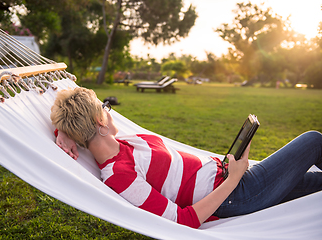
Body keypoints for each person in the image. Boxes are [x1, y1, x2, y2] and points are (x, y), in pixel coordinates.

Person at [50, 86, 322, 229]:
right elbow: (183, 220)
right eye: (106, 107)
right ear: (100, 120)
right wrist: (235, 178)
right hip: (236, 193)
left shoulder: (123, 143)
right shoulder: (120, 175)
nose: (110, 111)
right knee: (314, 140)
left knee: (314, 186)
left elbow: (77, 111)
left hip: (227, 178)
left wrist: (62, 130)